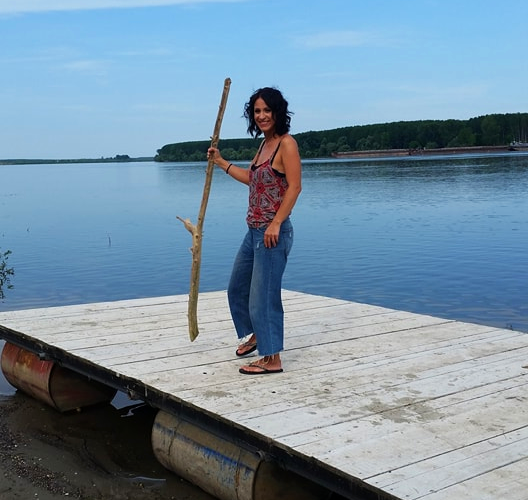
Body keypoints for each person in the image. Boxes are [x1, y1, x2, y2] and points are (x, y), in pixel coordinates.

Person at [207, 87, 302, 375]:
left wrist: (276, 223)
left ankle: (272, 358)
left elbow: (295, 187)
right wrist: (221, 162)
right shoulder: (264, 145)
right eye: (257, 111)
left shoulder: (287, 144)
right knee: (237, 288)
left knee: (264, 297)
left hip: (273, 234)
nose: (261, 116)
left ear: (278, 112)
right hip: (253, 232)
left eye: (266, 110)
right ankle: (258, 334)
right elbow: (253, 179)